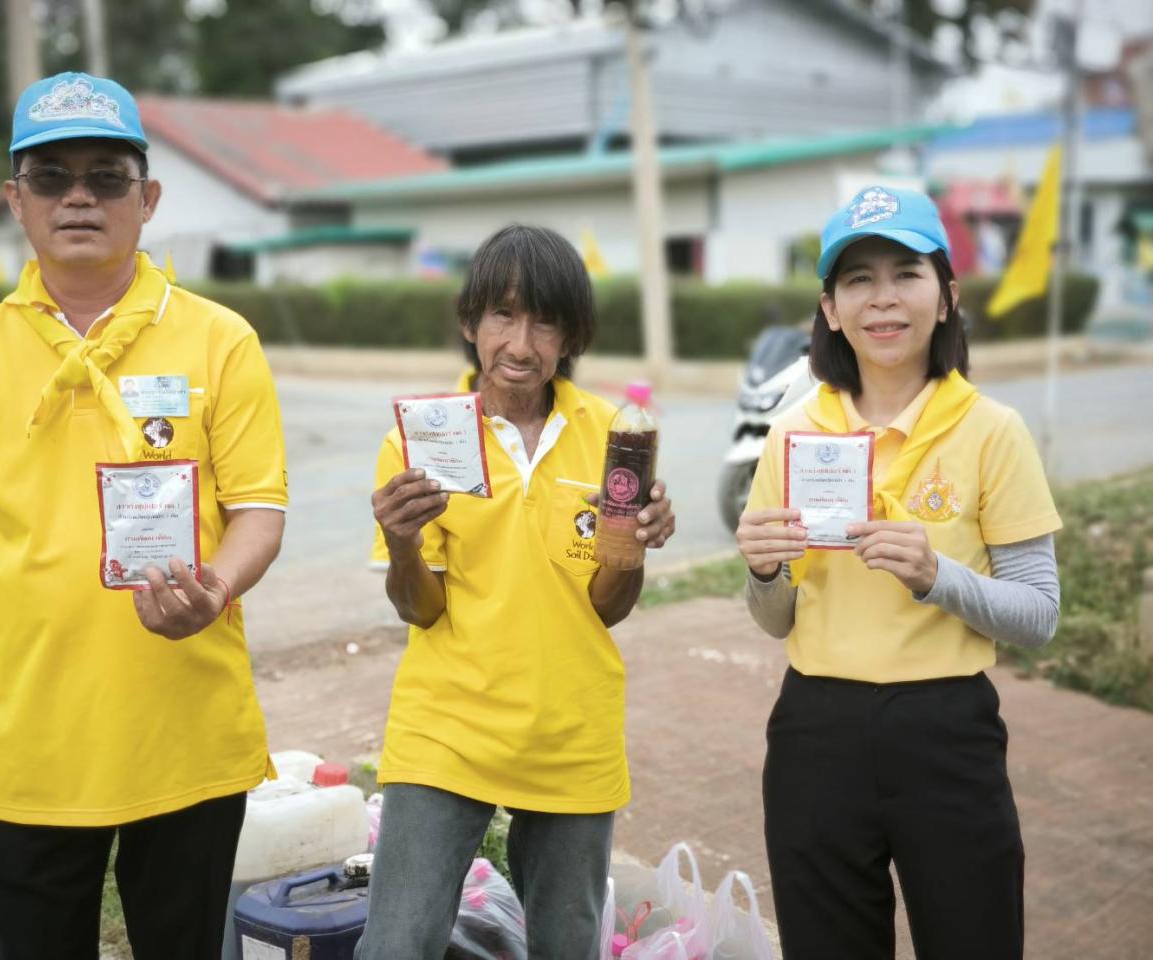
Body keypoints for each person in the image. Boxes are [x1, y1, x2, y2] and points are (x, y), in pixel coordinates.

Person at [0, 72, 288, 960]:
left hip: (188, 741)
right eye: (51, 176)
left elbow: (260, 512)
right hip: (30, 754)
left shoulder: (219, 338)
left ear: (147, 198)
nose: (78, 195)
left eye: (106, 175)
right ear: (15, 200)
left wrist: (216, 585)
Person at [736, 186, 1062, 960]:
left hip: (946, 733)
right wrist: (764, 572)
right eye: (858, 280)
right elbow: (776, 618)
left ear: (947, 296)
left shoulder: (992, 431)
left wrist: (934, 575)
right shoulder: (792, 436)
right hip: (815, 731)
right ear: (829, 308)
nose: (884, 300)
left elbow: (1039, 615)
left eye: (906, 273)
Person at [359, 224, 676, 959]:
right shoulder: (424, 436)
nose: (521, 344)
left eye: (545, 320)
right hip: (447, 729)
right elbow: (420, 609)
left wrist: (633, 546)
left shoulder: (615, 434)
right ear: (470, 323)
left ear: (572, 335)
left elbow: (607, 609)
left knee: (567, 946)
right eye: (503, 315)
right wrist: (404, 538)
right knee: (396, 945)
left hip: (572, 732)